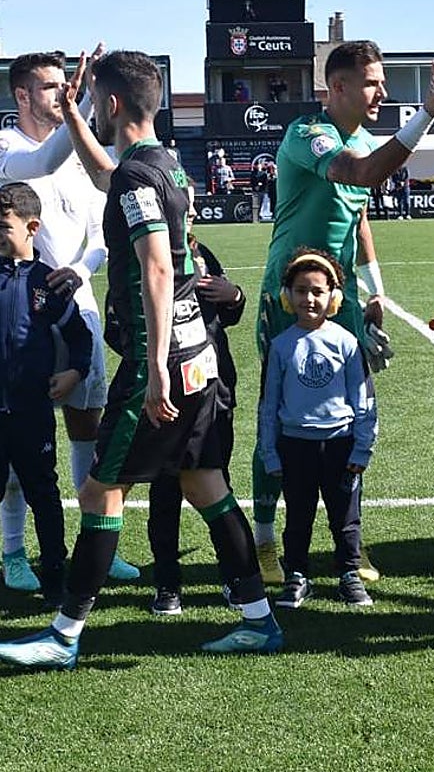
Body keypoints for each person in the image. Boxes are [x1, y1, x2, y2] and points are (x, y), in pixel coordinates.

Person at [0, 50, 282, 670]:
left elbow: (157, 264)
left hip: (167, 356)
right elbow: (108, 178)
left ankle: (64, 634)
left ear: (115, 103)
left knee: (102, 491)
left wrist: (153, 364)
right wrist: (73, 117)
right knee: (206, 483)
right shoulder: (163, 166)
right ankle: (259, 619)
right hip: (199, 354)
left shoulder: (138, 176)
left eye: (94, 101)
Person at [251, 40, 434, 584]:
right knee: (279, 416)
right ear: (337, 87)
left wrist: (373, 288)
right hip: (288, 298)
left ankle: (348, 544)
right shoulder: (307, 135)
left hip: (340, 300)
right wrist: (427, 114)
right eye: (373, 82)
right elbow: (359, 176)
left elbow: (359, 218)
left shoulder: (361, 139)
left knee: (350, 415)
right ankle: (266, 541)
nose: (382, 90)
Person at [0, 48, 140, 589]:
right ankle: (15, 554)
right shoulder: (9, 148)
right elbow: (43, 164)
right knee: (15, 439)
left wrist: (81, 269)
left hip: (74, 307)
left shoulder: (84, 151)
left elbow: (104, 229)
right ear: (20, 95)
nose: (57, 95)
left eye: (65, 85)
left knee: (89, 425)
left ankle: (95, 544)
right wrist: (82, 101)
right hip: (17, 317)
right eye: (48, 87)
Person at [145, 187, 245, 615]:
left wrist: (234, 295)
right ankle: (168, 584)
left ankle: (233, 577)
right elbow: (122, 324)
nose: (184, 221)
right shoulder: (147, 259)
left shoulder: (204, 255)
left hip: (213, 393)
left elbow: (230, 314)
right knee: (165, 491)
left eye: (188, 214)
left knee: (216, 483)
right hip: (166, 395)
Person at [260, 249, 377, 608]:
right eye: (300, 290)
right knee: (298, 517)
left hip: (340, 446)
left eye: (317, 291)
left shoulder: (347, 343)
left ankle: (349, 574)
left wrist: (361, 448)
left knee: (346, 518)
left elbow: (364, 401)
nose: (309, 299)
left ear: (334, 297)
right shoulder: (280, 347)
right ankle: (296, 575)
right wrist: (269, 451)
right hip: (295, 446)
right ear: (287, 296)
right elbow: (268, 406)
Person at [0, 182, 94, 609]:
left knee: (42, 492)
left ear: (31, 227)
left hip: (31, 412)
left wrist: (75, 372)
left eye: (2, 226)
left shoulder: (48, 284)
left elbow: (80, 337)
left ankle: (56, 575)